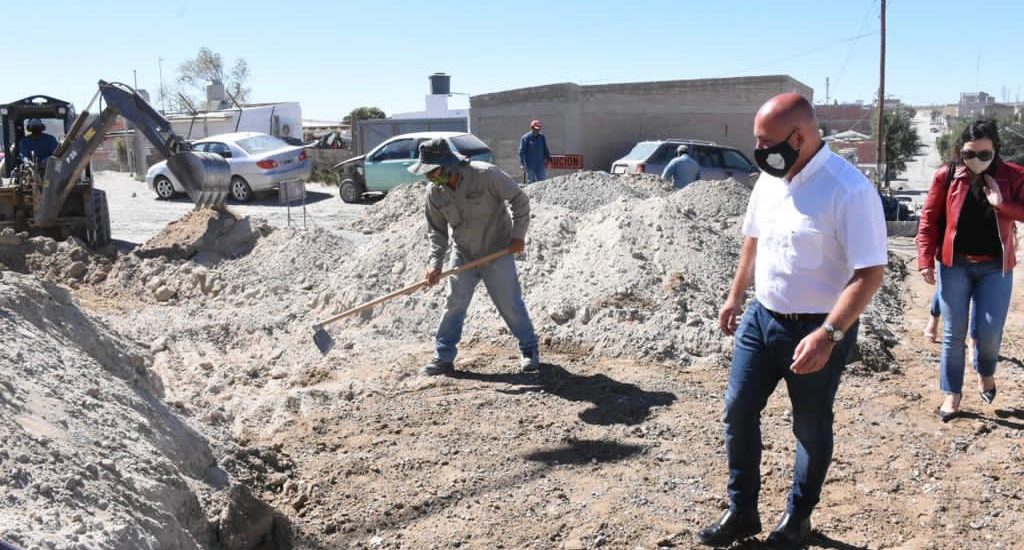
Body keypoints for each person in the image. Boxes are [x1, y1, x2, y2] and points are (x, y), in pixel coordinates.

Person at [698, 93, 887, 549]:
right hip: (762, 318)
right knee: (738, 410)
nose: (760, 150)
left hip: (819, 329)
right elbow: (753, 241)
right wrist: (734, 296)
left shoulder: (849, 190)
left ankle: (798, 518)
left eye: (766, 142)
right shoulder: (771, 178)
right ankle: (742, 511)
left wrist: (829, 334)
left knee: (810, 424)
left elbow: (870, 274)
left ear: (799, 137)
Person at [916, 119, 1024, 421]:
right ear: (960, 152)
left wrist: (1002, 205)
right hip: (956, 265)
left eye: (984, 155)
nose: (976, 160)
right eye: (969, 154)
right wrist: (925, 259)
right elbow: (929, 220)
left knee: (988, 332)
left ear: (996, 150)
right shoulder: (947, 175)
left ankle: (985, 373)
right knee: (953, 334)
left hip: (996, 267)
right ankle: (952, 393)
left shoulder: (1013, 176)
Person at [412, 137, 540, 376]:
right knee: (454, 304)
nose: (428, 177)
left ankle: (529, 349)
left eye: (432, 171)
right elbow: (437, 232)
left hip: (497, 250)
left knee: (510, 304)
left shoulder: (486, 175)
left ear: (448, 165)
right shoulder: (435, 193)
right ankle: (443, 357)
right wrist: (435, 263)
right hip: (464, 254)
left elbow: (519, 199)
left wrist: (518, 235)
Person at [518, 119, 551, 183]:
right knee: (531, 182)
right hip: (530, 164)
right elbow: (521, 152)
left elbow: (545, 149)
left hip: (540, 164)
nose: (537, 130)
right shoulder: (525, 138)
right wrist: (522, 164)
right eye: (536, 129)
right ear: (532, 128)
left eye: (538, 129)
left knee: (542, 181)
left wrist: (548, 160)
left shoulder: (541, 137)